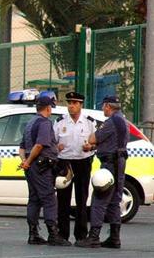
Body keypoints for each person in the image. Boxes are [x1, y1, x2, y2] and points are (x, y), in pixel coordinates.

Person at [76, 95, 129, 249]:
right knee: (113, 201)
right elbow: (110, 143)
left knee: (99, 199)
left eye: (103, 106)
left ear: (107, 106)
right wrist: (94, 148)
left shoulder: (112, 121)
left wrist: (91, 143)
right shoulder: (122, 120)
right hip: (118, 162)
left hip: (110, 165)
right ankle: (114, 237)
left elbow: (93, 138)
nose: (102, 109)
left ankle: (93, 236)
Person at [19, 96, 71, 246]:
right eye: (51, 108)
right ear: (48, 108)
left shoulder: (30, 123)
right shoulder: (44, 123)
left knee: (34, 199)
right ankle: (53, 234)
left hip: (31, 167)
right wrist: (28, 162)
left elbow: (22, 147)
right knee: (49, 199)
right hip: (41, 166)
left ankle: (33, 234)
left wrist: (25, 162)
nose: (51, 111)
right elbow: (40, 145)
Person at [54, 92, 96, 242]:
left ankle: (81, 235)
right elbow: (53, 142)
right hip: (64, 162)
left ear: (81, 105)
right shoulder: (60, 122)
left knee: (81, 199)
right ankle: (62, 234)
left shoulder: (89, 123)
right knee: (63, 200)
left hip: (82, 162)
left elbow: (95, 143)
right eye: (69, 102)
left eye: (74, 103)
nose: (71, 106)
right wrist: (56, 147)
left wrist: (90, 147)